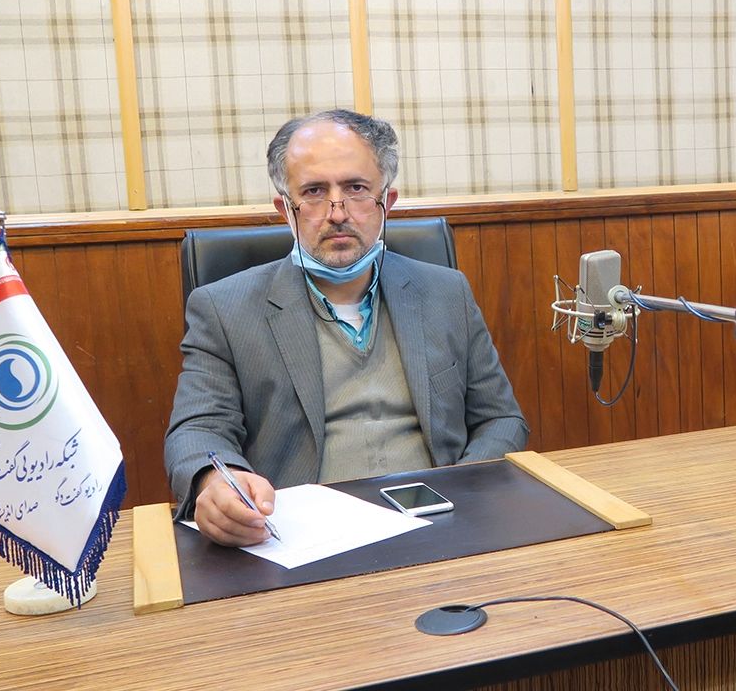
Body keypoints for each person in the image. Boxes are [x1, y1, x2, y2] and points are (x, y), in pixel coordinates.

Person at [164, 109, 529, 546]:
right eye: (314, 192)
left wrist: (462, 492)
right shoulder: (224, 309)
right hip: (302, 541)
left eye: (356, 189)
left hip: (442, 523)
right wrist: (214, 481)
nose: (337, 213)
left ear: (386, 201)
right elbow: (198, 430)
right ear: (286, 210)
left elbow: (500, 419)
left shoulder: (446, 292)